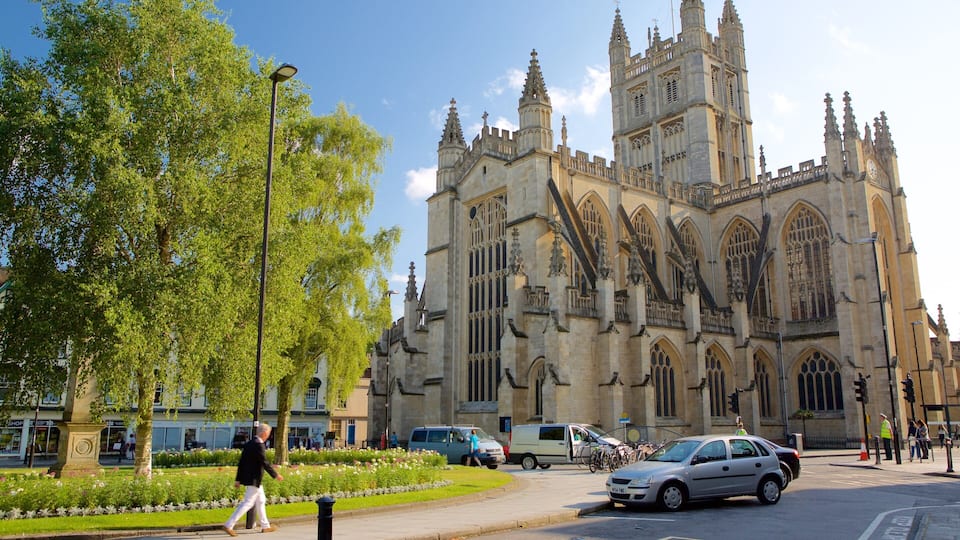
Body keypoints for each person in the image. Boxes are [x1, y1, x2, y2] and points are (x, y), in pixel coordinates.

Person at [223, 424, 283, 537]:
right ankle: (229, 524)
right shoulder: (259, 445)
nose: (268, 436)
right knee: (248, 503)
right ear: (264, 433)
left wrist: (238, 479)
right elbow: (264, 462)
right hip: (254, 479)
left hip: (250, 478)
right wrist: (275, 475)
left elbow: (242, 462)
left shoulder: (249, 443)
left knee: (261, 500)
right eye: (268, 434)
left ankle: (265, 526)